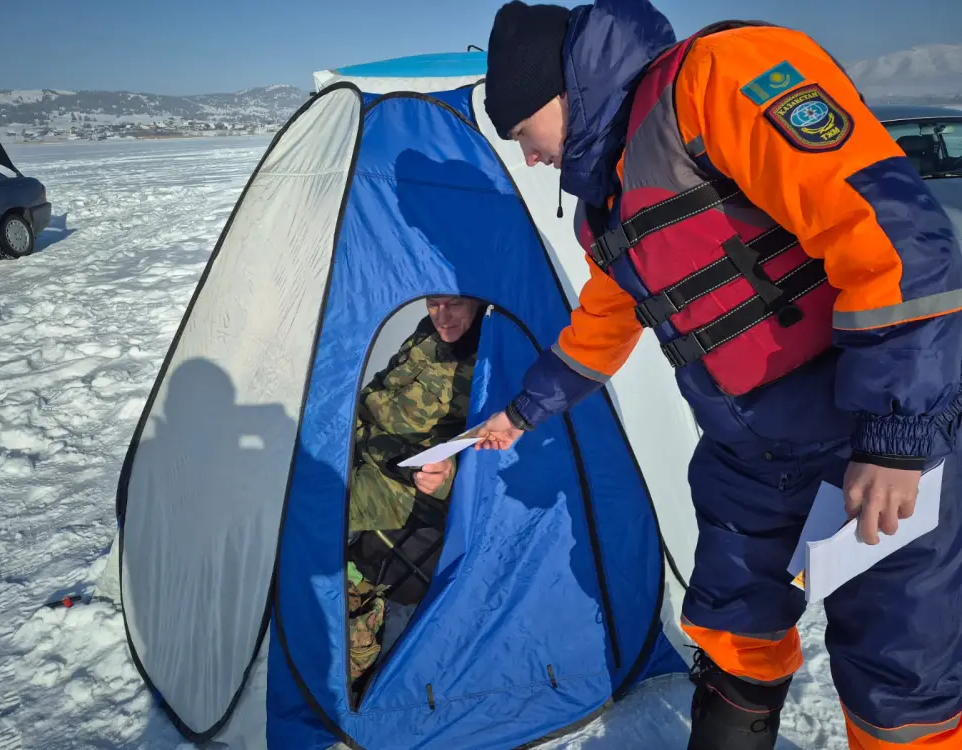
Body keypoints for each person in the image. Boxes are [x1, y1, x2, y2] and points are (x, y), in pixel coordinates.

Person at [475, 2, 962, 749]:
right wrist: (521, 413)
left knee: (904, 672)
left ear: (552, 92)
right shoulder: (606, 205)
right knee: (731, 628)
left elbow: (893, 238)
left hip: (861, 429)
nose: (531, 157)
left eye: (521, 135)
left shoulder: (716, 79)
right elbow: (602, 327)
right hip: (748, 451)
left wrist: (896, 436)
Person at [345, 295, 484, 688]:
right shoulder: (427, 335)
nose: (442, 316)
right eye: (433, 304)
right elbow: (375, 396)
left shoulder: (491, 353)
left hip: (402, 487)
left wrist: (448, 477)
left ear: (475, 300)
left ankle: (356, 651)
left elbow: (501, 454)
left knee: (310, 513)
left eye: (454, 305)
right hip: (361, 452)